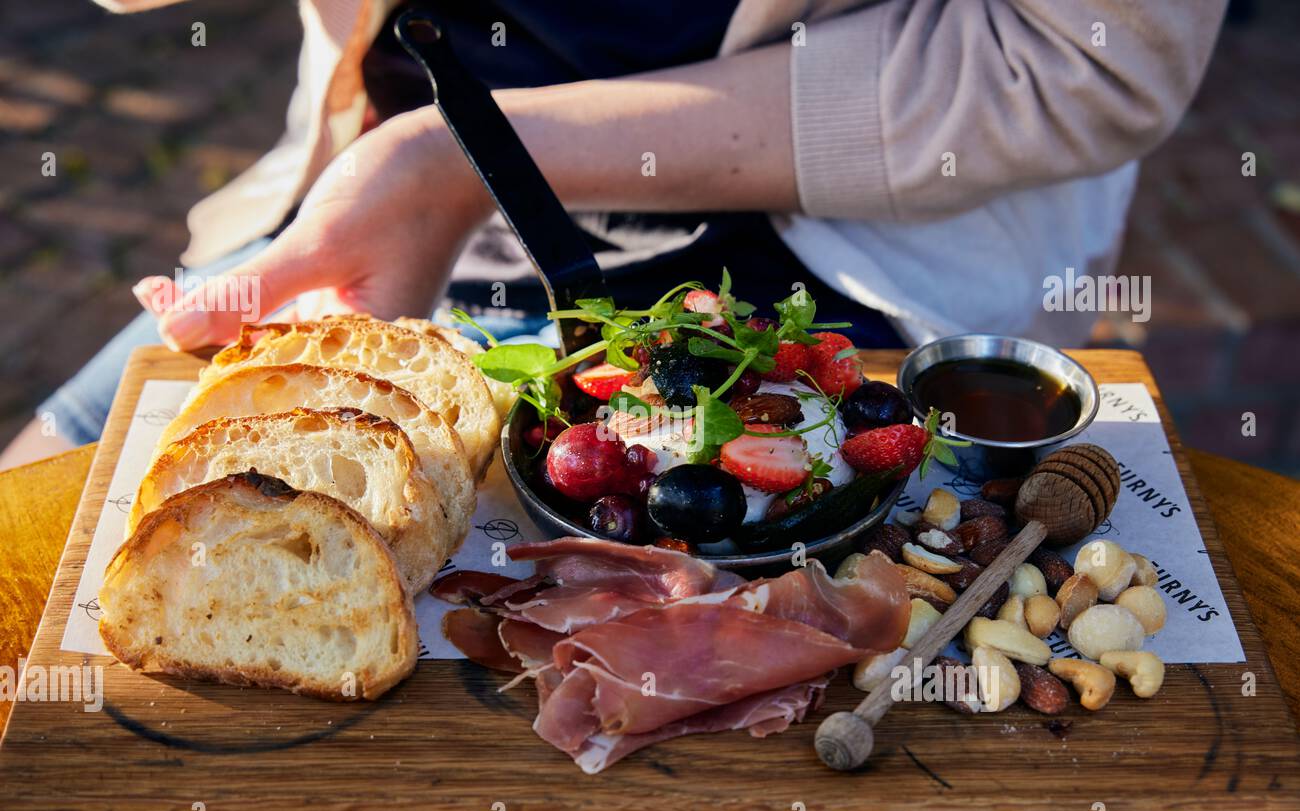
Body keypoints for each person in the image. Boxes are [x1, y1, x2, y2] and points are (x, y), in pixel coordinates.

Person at [2, 0, 1228, 467]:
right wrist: (419, 167)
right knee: (39, 554)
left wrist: (460, 161)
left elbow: (1077, 61)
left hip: (843, 248)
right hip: (367, 201)